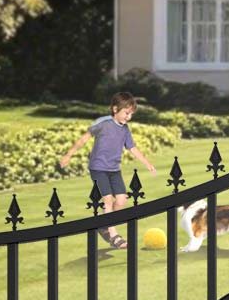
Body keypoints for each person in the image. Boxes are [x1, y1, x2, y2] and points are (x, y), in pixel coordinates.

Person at [58, 91, 157, 248]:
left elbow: (132, 148)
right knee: (108, 199)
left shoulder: (125, 129)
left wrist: (147, 163)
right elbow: (83, 139)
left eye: (131, 114)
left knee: (122, 200)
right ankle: (114, 236)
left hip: (114, 169)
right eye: (126, 113)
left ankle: (104, 224)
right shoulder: (102, 123)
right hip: (98, 168)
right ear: (115, 109)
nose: (128, 117)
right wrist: (68, 155)